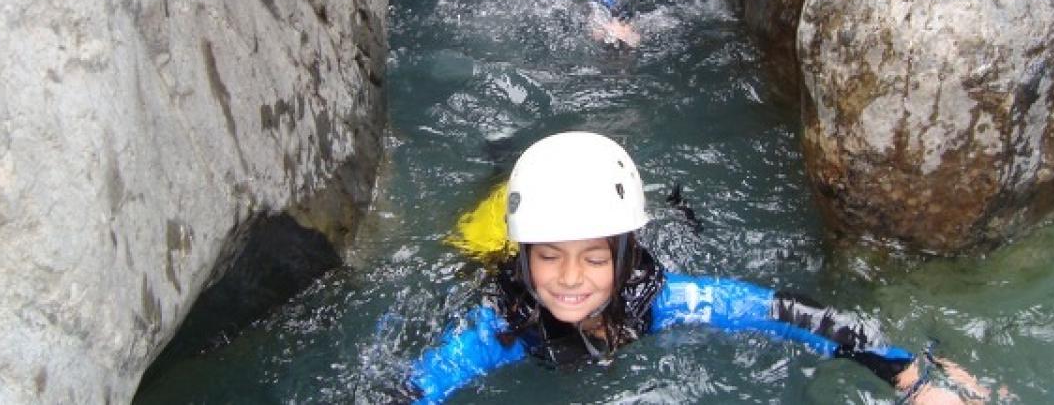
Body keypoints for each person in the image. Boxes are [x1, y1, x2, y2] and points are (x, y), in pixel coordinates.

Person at [407, 132, 988, 404]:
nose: (570, 279)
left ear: (626, 257)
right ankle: (497, 167)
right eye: (549, 257)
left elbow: (790, 314)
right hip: (482, 251)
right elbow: (419, 384)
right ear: (527, 261)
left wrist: (911, 377)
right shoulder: (507, 326)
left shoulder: (661, 301)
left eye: (594, 257)